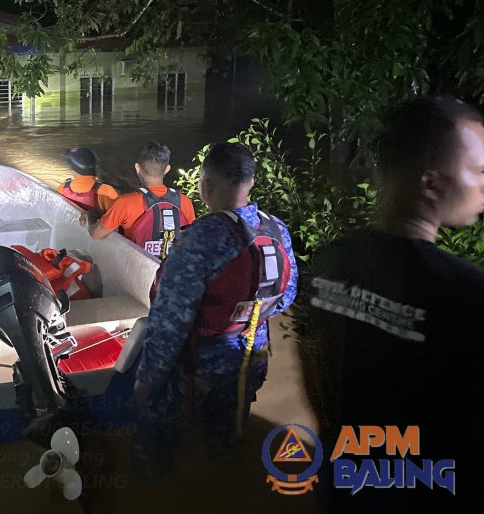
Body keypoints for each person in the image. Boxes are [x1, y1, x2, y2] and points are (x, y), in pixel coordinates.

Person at [305, 96, 484, 513]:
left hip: (343, 476)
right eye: (478, 171)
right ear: (432, 182)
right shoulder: (466, 293)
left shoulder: (330, 262)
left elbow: (318, 380)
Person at [132, 142, 298, 478]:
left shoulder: (199, 240)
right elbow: (286, 296)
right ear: (250, 183)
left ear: (205, 186)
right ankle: (224, 471)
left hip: (201, 367)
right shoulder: (276, 229)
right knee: (228, 432)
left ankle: (153, 476)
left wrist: (147, 382)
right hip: (252, 358)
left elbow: (169, 325)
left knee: (152, 421)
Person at [89, 142, 195, 258]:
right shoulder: (184, 201)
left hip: (140, 270)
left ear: (137, 168)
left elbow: (96, 234)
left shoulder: (125, 202)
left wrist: (91, 215)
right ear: (167, 169)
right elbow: (191, 238)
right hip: (175, 271)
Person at [56, 147, 119, 218]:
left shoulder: (62, 188)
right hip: (95, 228)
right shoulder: (106, 191)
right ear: (95, 165)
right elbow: (118, 221)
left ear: (72, 169)